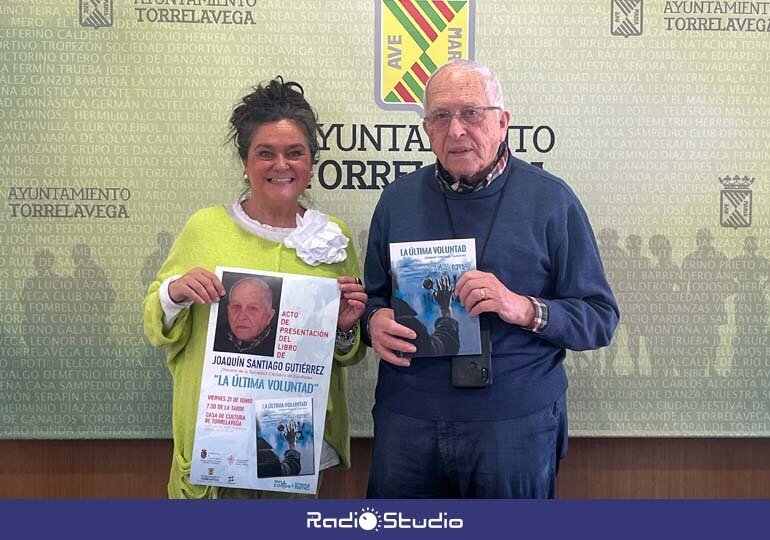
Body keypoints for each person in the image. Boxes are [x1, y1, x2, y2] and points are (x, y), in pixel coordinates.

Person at [363, 60, 619, 499]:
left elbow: (599, 318)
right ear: (426, 128)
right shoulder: (396, 201)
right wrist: (371, 322)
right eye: (441, 117)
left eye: (471, 113)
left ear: (503, 122)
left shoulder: (552, 201)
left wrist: (523, 308)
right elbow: (373, 298)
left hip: (514, 423)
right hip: (407, 421)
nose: (456, 130)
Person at [143, 77, 367, 499]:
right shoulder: (205, 228)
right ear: (245, 163)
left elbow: (346, 353)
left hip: (291, 451)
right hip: (217, 453)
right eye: (266, 153)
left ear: (311, 162)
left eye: (294, 153)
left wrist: (346, 327)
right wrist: (174, 292)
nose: (281, 165)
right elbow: (156, 324)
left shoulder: (333, 238)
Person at [213, 276, 279, 356]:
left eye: (252, 308)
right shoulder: (214, 336)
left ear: (269, 316)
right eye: (236, 306)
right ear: (228, 310)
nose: (241, 317)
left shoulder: (279, 346)